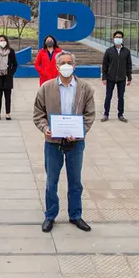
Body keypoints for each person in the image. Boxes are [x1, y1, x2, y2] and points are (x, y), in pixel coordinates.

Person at [33, 52, 96, 233]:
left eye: (69, 63)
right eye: (63, 63)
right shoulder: (46, 88)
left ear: (74, 66)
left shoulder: (86, 89)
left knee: (75, 181)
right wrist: (45, 128)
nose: (66, 66)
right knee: (52, 180)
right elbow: (38, 114)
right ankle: (50, 215)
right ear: (57, 66)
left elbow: (89, 115)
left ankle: (75, 215)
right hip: (53, 142)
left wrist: (80, 132)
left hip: (76, 143)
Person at [101, 30, 133, 122]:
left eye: (120, 37)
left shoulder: (126, 51)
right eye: (116, 37)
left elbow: (129, 65)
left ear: (122, 39)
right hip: (110, 78)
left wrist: (129, 77)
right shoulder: (109, 51)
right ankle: (106, 114)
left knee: (121, 97)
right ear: (113, 39)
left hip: (121, 78)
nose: (118, 39)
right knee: (108, 96)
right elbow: (105, 65)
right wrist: (104, 77)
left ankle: (120, 114)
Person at [0, 34, 18, 120]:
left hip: (7, 77)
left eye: (3, 40)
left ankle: (8, 113)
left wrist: (11, 73)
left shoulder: (11, 51)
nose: (2, 42)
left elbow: (15, 64)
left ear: (6, 41)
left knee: (7, 96)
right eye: (0, 40)